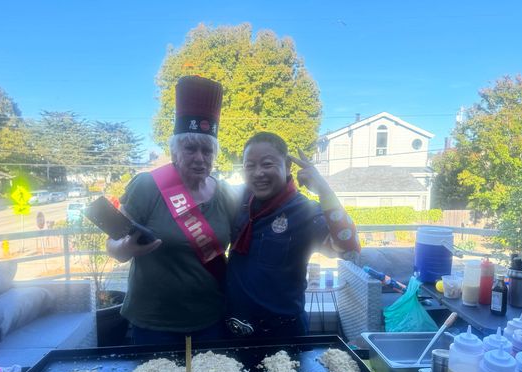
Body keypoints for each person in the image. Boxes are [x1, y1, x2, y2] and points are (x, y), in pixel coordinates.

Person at [106, 76, 236, 345]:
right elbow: (113, 244)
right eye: (190, 148)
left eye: (207, 150)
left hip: (209, 319)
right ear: (175, 151)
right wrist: (124, 250)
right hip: (154, 323)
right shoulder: (147, 186)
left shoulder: (224, 194)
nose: (200, 158)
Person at [226, 131, 361, 338]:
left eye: (267, 164)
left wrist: (325, 191)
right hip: (233, 328)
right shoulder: (240, 201)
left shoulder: (305, 211)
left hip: (282, 334)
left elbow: (350, 250)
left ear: (288, 166)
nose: (258, 173)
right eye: (250, 166)